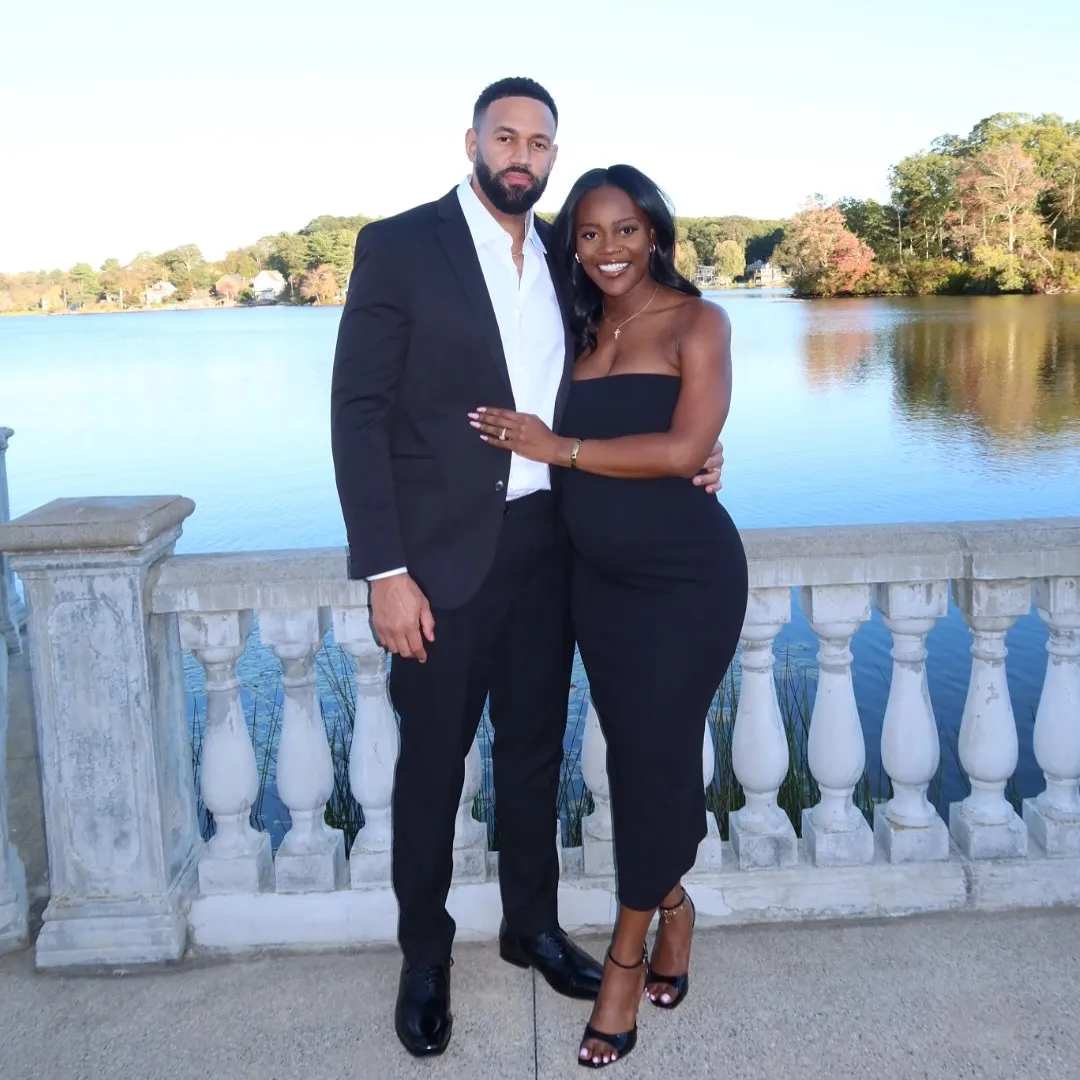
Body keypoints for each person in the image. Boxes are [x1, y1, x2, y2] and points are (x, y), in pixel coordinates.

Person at [330, 81, 725, 1058]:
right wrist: (385, 569)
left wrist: (697, 449)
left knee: (536, 756)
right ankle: (426, 957)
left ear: (553, 155)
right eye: (505, 136)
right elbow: (358, 416)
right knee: (430, 769)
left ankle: (531, 929)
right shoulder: (400, 244)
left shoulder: (565, 252)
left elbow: (635, 361)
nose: (522, 155)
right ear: (471, 140)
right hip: (439, 565)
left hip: (555, 549)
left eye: (539, 143)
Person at [470, 164, 748, 1069]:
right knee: (636, 758)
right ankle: (674, 905)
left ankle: (625, 962)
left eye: (624, 229)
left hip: (685, 580)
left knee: (653, 760)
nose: (607, 249)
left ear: (655, 231)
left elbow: (682, 447)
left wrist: (565, 448)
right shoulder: (578, 326)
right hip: (596, 584)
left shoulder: (700, 322)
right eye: (587, 235)